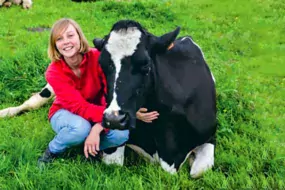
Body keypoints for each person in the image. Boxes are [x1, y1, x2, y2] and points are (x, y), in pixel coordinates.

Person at [38, 18, 159, 164]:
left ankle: (89, 148)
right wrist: (101, 124)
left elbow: (109, 92)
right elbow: (78, 107)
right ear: (55, 45)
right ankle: (52, 150)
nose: (66, 42)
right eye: (59, 39)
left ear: (79, 36)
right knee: (80, 128)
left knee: (121, 134)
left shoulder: (98, 57)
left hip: (100, 109)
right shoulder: (54, 72)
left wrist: (98, 127)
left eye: (70, 36)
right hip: (66, 112)